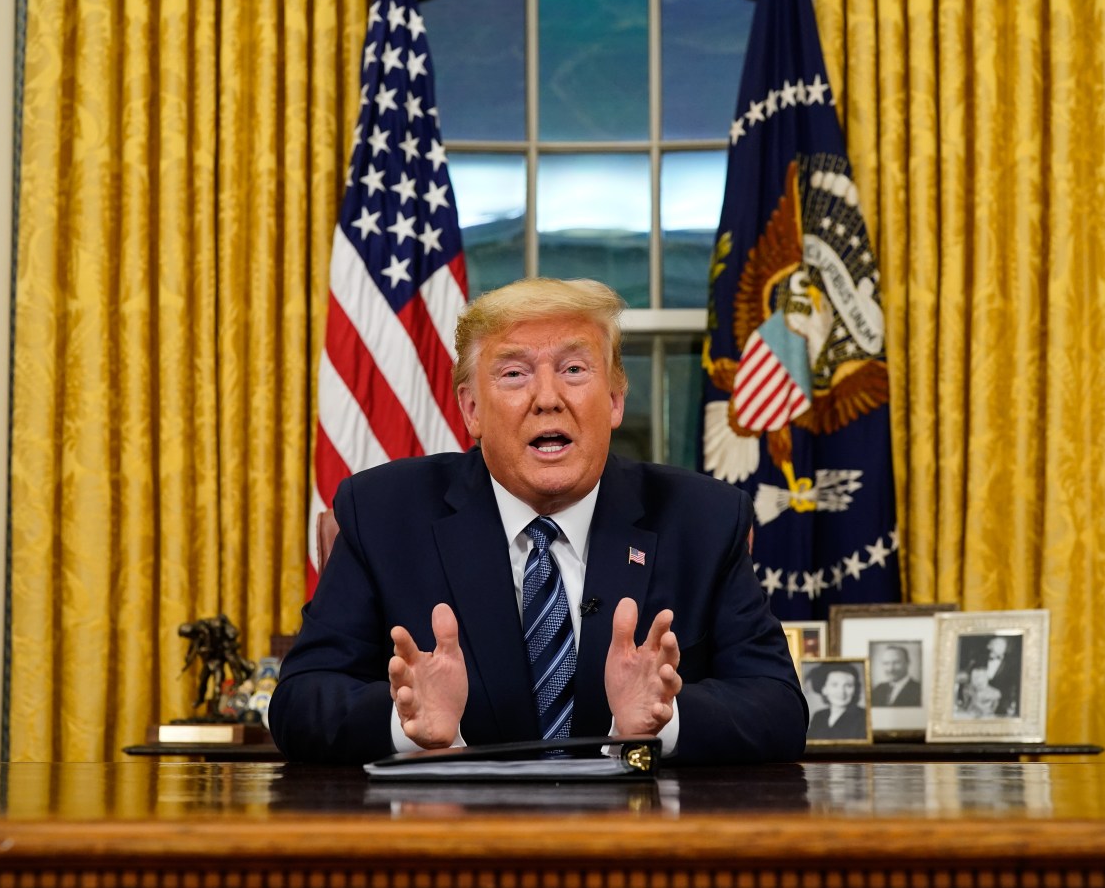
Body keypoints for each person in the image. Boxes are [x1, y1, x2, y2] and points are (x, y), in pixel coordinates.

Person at [269, 277, 809, 764]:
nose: (547, 399)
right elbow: (300, 701)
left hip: (640, 848)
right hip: (455, 849)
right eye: (513, 374)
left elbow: (778, 708)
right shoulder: (384, 513)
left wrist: (663, 718)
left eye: (574, 369)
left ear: (616, 400)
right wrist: (407, 722)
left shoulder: (703, 519)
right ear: (472, 409)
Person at [805, 662, 866, 740]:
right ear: (824, 689)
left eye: (848, 685)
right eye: (834, 685)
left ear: (855, 689)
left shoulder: (863, 717)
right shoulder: (819, 716)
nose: (841, 692)